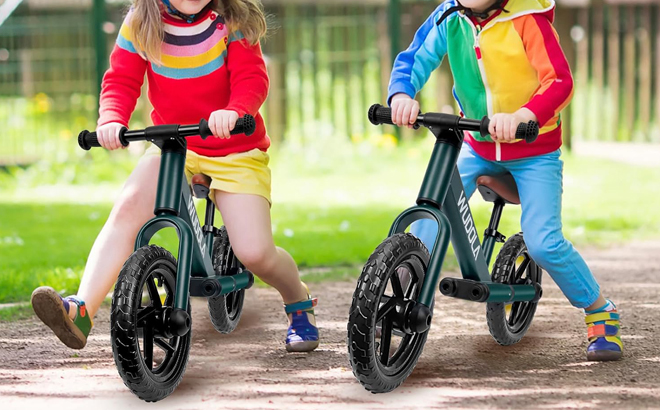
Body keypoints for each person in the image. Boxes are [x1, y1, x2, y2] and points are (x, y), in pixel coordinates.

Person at [31, 0, 319, 353]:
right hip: (175, 144)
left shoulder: (231, 21)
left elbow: (251, 78)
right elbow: (121, 79)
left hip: (234, 149)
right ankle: (81, 309)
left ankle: (297, 299)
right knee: (128, 209)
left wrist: (235, 110)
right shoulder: (142, 23)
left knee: (255, 252)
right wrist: (111, 119)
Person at [388, 0, 621, 361]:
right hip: (478, 145)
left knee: (544, 243)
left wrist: (526, 114)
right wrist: (402, 93)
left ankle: (600, 309)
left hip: (533, 151)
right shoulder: (449, 16)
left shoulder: (527, 19)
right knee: (426, 221)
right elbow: (415, 57)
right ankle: (400, 296)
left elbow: (558, 81)